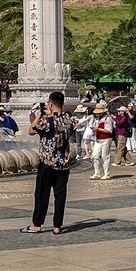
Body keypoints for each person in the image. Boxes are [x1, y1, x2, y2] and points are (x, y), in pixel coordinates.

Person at [21, 92, 76, 235]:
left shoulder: (46, 121)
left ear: (50, 104)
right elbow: (68, 131)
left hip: (47, 163)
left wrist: (40, 114)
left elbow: (31, 131)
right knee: (60, 196)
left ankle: (37, 224)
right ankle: (57, 226)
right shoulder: (69, 120)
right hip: (63, 164)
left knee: (42, 194)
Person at [88, 102, 115, 180]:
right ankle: (97, 173)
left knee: (105, 156)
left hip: (106, 139)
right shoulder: (97, 118)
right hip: (98, 139)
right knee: (95, 155)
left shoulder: (108, 118)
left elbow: (109, 131)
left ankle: (107, 174)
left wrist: (98, 129)